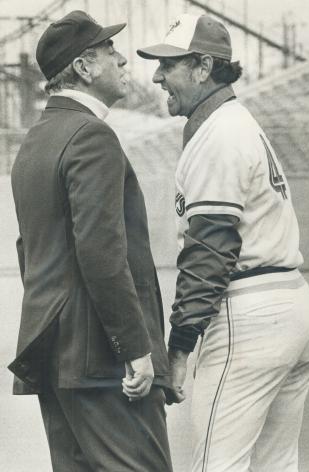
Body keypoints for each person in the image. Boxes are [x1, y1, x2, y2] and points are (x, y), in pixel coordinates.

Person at [137, 13, 309, 472]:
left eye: (169, 65)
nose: (158, 76)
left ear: (203, 67)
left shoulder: (219, 134)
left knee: (216, 466)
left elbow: (210, 251)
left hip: (251, 313)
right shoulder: (235, 122)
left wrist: (180, 345)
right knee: (276, 464)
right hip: (291, 306)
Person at [9, 10, 173, 472]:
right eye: (109, 51)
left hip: (57, 355)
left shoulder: (36, 141)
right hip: (102, 361)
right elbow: (101, 251)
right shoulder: (91, 136)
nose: (122, 60)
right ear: (83, 67)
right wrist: (134, 348)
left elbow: (30, 252)